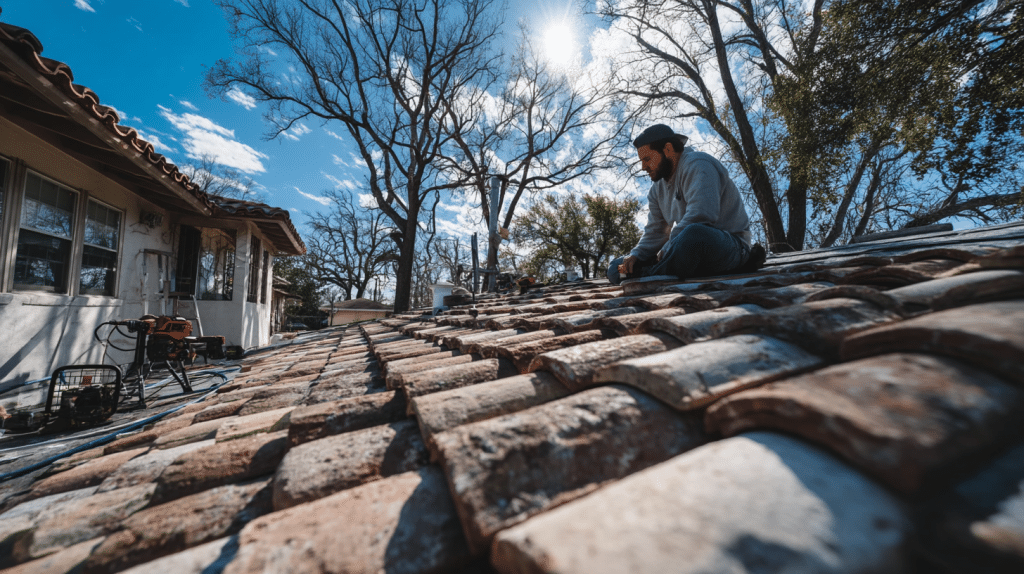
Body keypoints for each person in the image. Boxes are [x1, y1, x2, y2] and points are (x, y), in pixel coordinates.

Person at [607, 124, 763, 284]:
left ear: (667, 149)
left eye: (647, 159)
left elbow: (701, 216)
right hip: (680, 253)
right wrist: (636, 255)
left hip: (730, 248)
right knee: (615, 268)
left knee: (694, 235)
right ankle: (657, 273)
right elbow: (656, 232)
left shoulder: (699, 164)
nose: (643, 167)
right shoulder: (656, 190)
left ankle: (650, 276)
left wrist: (668, 249)